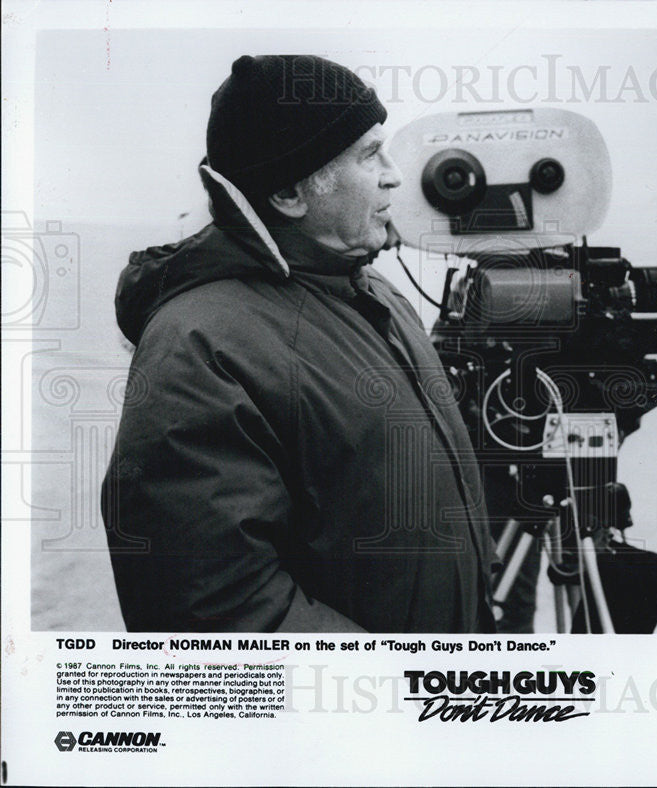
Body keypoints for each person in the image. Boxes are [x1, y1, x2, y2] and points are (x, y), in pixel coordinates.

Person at [101, 55, 497, 633]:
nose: (394, 175)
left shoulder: (373, 292)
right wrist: (396, 698)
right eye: (369, 155)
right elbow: (217, 613)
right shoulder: (201, 348)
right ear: (289, 192)